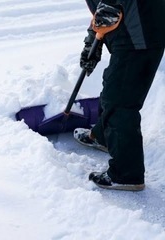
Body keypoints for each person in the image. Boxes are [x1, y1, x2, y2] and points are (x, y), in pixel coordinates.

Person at [74, 0, 165, 191]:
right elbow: (103, 7)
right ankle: (104, 136)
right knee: (113, 86)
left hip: (141, 35)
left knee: (120, 101)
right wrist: (93, 41)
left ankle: (127, 174)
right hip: (126, 32)